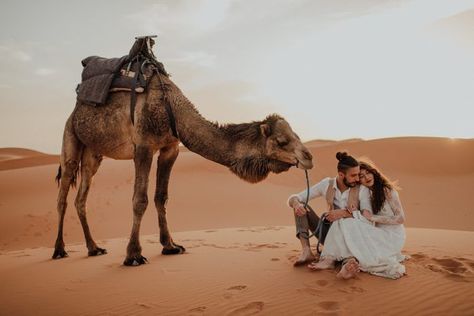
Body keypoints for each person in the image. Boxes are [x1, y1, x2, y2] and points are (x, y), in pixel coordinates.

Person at [310, 158, 407, 279]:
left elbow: (400, 219)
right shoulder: (367, 192)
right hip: (377, 233)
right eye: (361, 176)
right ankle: (338, 262)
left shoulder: (387, 190)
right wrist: (354, 211)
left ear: (374, 172)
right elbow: (364, 214)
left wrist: (373, 218)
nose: (366, 177)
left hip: (392, 236)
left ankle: (330, 260)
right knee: (345, 223)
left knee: (346, 222)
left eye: (368, 173)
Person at [287, 152, 373, 273]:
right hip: (328, 234)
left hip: (352, 238)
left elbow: (368, 217)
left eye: (358, 175)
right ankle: (306, 251)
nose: (358, 179)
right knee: (302, 207)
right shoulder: (327, 184)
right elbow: (294, 197)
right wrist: (296, 204)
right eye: (353, 175)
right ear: (341, 175)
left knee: (349, 255)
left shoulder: (362, 190)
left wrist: (343, 213)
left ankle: (348, 264)